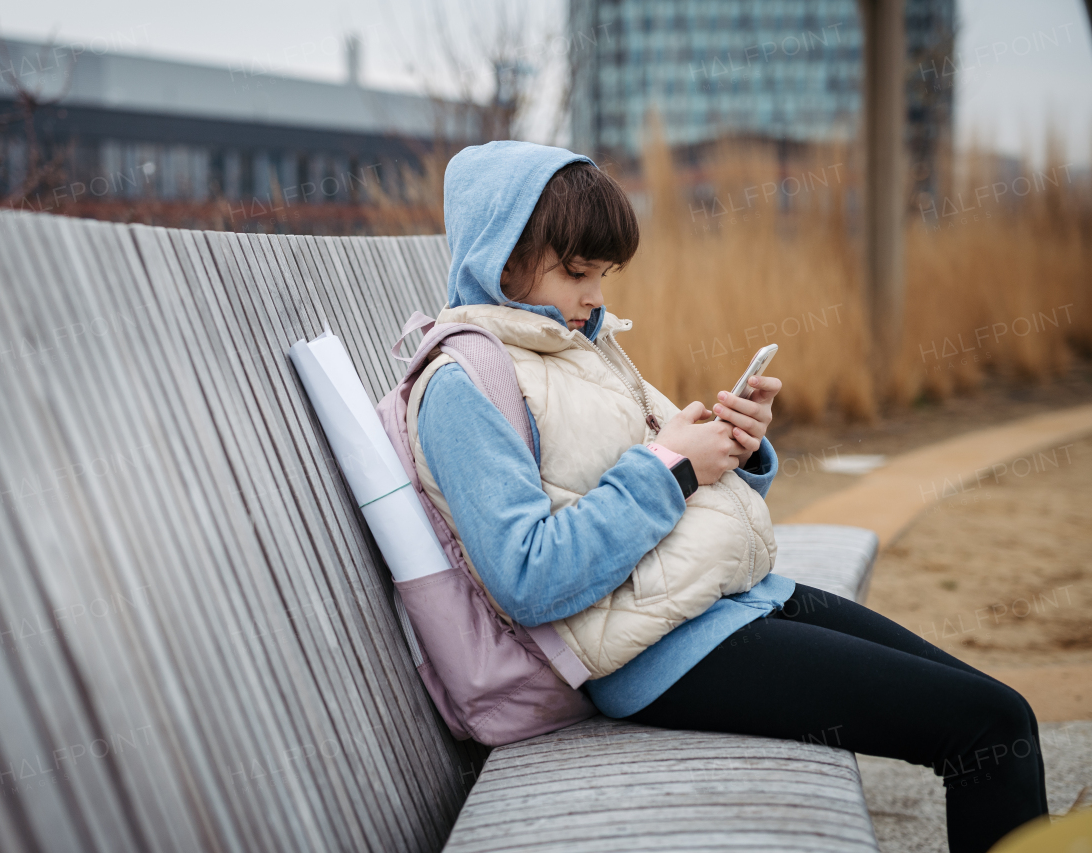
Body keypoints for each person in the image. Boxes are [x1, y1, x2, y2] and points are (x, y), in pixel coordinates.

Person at [410, 141, 1048, 853]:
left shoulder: (570, 343)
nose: (596, 296)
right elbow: (529, 576)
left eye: (604, 273)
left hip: (721, 600)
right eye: (578, 272)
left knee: (1003, 716)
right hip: (658, 654)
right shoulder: (462, 386)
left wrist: (731, 450)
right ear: (498, 260)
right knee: (989, 727)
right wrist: (673, 466)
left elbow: (649, 479)